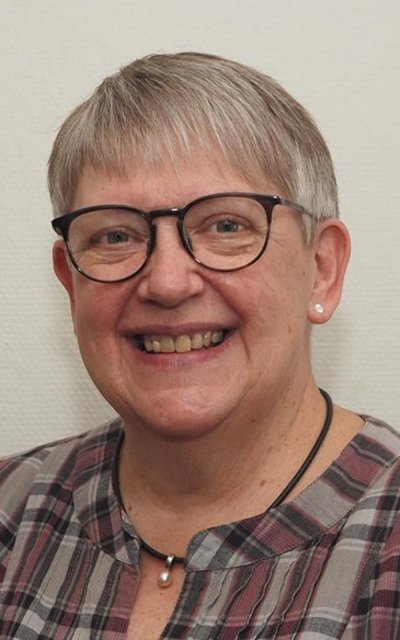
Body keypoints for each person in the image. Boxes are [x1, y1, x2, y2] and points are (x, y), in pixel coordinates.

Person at [0, 52, 399, 640]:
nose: (167, 282)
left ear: (321, 270)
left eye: (226, 226)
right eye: (115, 235)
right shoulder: (11, 509)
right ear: (71, 283)